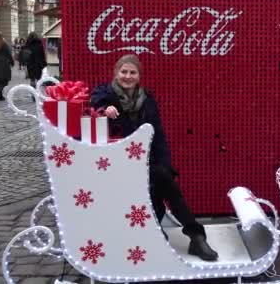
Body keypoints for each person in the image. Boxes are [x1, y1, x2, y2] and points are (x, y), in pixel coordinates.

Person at [90, 54, 219, 261]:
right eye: (124, 71)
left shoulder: (148, 100)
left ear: (139, 76)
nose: (128, 76)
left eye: (133, 72)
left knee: (163, 178)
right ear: (116, 73)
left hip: (145, 163)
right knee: (162, 180)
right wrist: (105, 109)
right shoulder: (105, 94)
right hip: (116, 163)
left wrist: (166, 165)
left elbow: (158, 136)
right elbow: (95, 103)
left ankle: (176, 235)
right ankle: (192, 235)